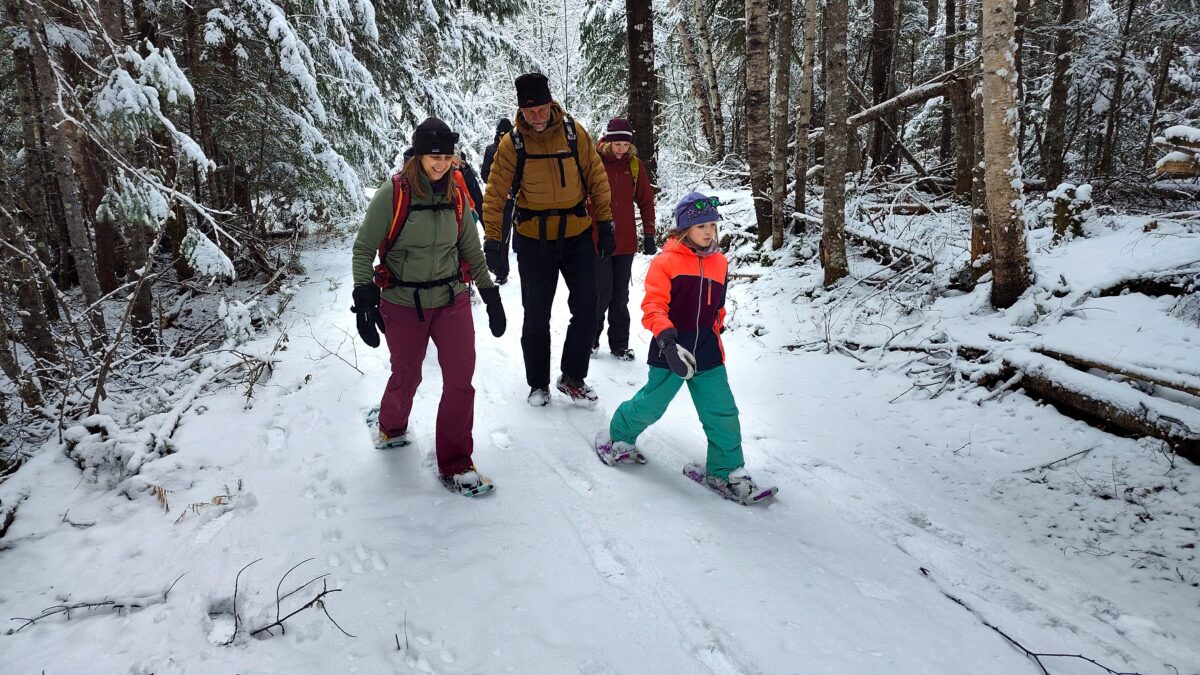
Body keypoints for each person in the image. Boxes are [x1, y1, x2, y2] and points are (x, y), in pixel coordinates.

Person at [350, 117, 506, 496]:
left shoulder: (455, 192)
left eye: (447, 156)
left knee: (459, 380)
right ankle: (390, 424)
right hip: (403, 301)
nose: (440, 163)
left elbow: (470, 247)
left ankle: (456, 463)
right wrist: (364, 294)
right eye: (433, 156)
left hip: (452, 298)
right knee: (407, 375)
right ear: (418, 155)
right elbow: (363, 248)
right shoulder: (394, 193)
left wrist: (490, 293)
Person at [593, 192, 773, 504]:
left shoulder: (720, 262)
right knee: (652, 404)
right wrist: (667, 342)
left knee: (722, 412)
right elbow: (653, 306)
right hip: (671, 347)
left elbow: (717, 307)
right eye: (701, 225)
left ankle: (725, 470)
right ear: (684, 229)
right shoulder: (666, 262)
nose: (708, 231)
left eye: (712, 225)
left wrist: (715, 327)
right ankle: (618, 436)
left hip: (706, 350)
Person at [481, 73, 615, 406]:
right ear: (520, 111)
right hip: (533, 240)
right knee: (537, 314)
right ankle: (538, 383)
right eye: (529, 112)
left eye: (541, 109)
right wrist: (493, 241)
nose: (536, 117)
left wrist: (606, 224)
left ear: (550, 103)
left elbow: (597, 178)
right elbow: (496, 193)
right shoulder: (512, 144)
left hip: (576, 235)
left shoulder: (574, 134)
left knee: (588, 306)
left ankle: (573, 377)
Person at [590, 117, 656, 361]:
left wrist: (649, 233)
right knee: (601, 293)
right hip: (596, 239)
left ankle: (619, 344)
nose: (621, 149)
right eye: (616, 144)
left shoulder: (635, 166)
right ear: (607, 142)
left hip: (625, 242)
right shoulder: (594, 164)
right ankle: (591, 339)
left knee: (620, 296)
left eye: (625, 145)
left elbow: (646, 201)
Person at [481, 118, 515, 283]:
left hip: (516, 197)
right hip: (498, 198)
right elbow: (485, 174)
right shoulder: (491, 150)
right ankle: (501, 271)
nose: (504, 137)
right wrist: (502, 186)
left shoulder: (517, 149)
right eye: (501, 134)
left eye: (507, 134)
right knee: (501, 234)